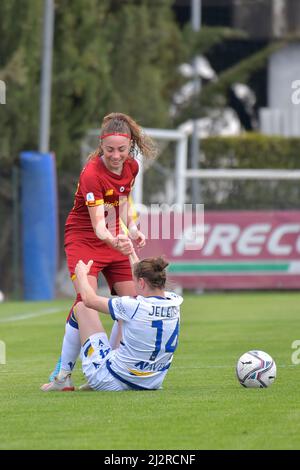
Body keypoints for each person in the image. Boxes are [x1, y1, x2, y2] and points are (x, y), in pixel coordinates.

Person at [41, 112, 156, 392]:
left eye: (121, 150)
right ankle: (62, 375)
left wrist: (133, 228)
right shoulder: (92, 173)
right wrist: (116, 240)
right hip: (84, 238)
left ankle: (112, 368)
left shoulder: (132, 167)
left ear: (130, 147)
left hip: (113, 234)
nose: (116, 156)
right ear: (100, 146)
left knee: (130, 306)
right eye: (109, 150)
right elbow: (97, 226)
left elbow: (124, 201)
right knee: (85, 302)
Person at [61, 255, 182, 391]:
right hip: (151, 382)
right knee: (123, 318)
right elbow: (141, 274)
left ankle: (63, 377)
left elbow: (89, 299)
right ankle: (107, 364)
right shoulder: (175, 302)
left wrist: (81, 275)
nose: (133, 284)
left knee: (82, 308)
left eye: (134, 281)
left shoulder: (132, 306)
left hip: (110, 380)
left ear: (141, 282)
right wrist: (130, 252)